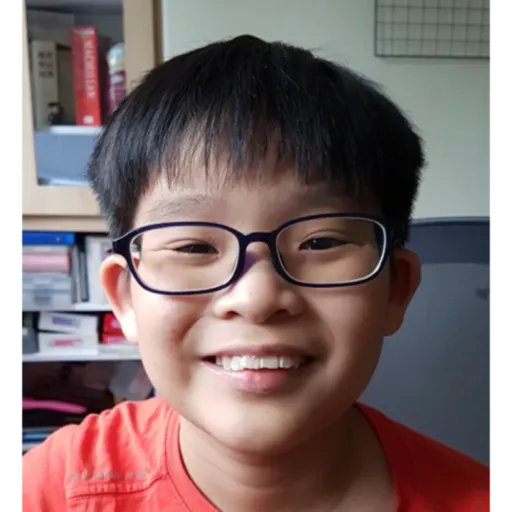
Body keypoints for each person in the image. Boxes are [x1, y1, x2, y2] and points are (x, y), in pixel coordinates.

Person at [19, 35, 493, 511]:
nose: (258, 297)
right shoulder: (49, 492)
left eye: (320, 242)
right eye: (194, 246)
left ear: (396, 289)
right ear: (125, 298)